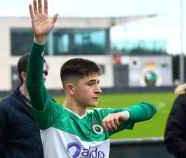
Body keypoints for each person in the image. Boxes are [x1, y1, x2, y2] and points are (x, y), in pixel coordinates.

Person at [26, 0, 157, 157]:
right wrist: (39, 41)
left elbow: (149, 109)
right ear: (71, 89)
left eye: (98, 83)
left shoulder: (101, 118)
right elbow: (34, 84)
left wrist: (125, 114)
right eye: (91, 84)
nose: (98, 89)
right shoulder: (52, 115)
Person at [0, 54, 48, 158]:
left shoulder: (50, 106)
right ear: (24, 76)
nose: (44, 76)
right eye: (39, 72)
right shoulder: (4, 109)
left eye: (45, 72)